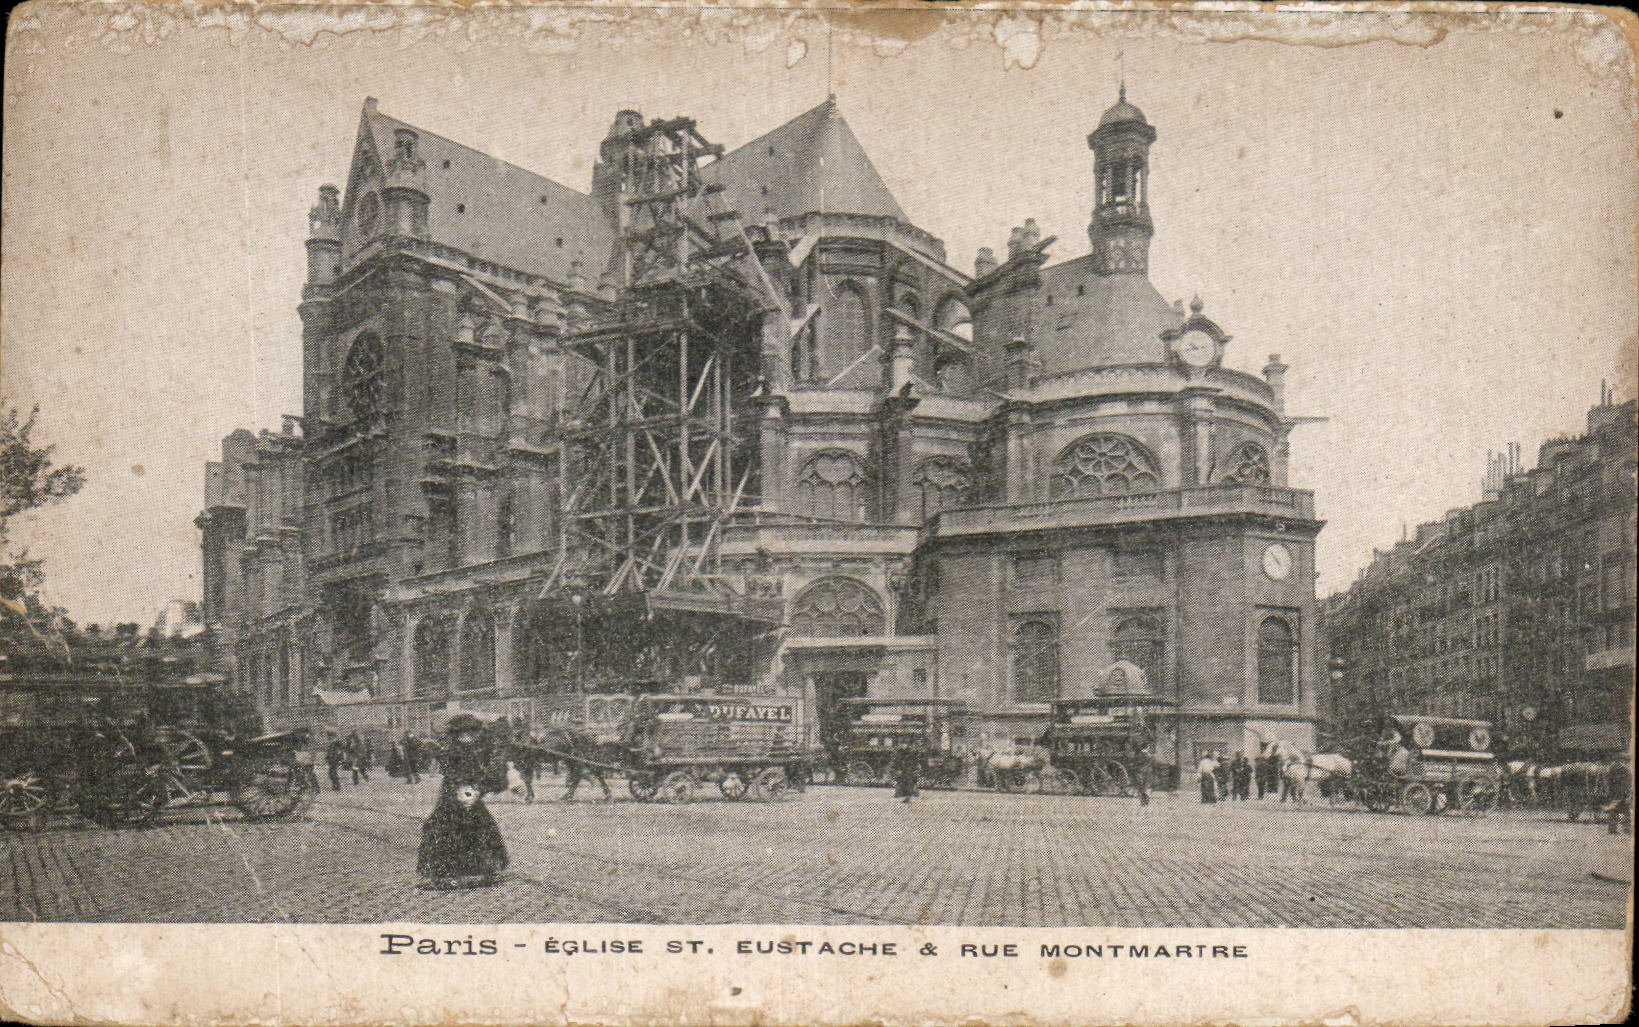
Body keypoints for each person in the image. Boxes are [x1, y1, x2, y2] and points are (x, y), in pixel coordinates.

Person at [416, 714, 509, 889]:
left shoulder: (473, 749)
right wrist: (464, 788)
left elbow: (480, 771)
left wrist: (476, 788)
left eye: (470, 732)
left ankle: (482, 870)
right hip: (453, 794)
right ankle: (445, 873)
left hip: (469, 793)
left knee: (480, 828)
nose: (466, 736)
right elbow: (451, 771)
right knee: (446, 829)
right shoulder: (453, 750)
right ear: (456, 734)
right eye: (462, 733)